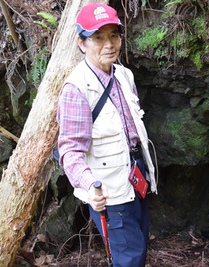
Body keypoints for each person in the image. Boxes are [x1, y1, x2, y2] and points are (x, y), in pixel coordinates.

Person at [56, 3, 157, 266]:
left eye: (114, 35)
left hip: (136, 176)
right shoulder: (76, 90)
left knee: (139, 247)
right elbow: (70, 151)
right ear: (81, 43)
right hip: (107, 190)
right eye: (98, 38)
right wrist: (90, 186)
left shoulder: (124, 75)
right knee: (129, 258)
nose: (109, 44)